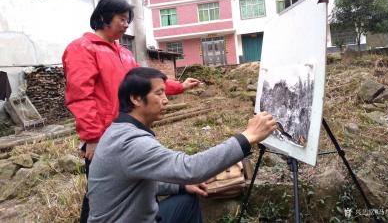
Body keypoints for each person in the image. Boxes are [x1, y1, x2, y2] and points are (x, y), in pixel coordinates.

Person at [62, 0, 200, 223]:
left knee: (134, 188)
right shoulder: (82, 49)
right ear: (104, 17)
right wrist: (92, 137)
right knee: (100, 197)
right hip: (104, 139)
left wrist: (179, 87)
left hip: (129, 133)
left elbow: (148, 82)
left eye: (128, 20)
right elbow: (80, 97)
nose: (127, 25)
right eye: (122, 19)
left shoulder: (124, 54)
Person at [87, 67, 277, 223]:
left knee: (186, 200)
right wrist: (248, 137)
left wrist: (181, 187)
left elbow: (141, 179)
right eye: (159, 93)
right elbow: (190, 168)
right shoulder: (129, 142)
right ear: (136, 98)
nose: (166, 100)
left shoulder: (120, 130)